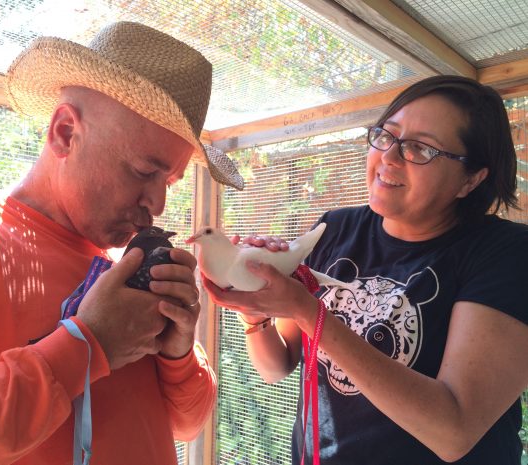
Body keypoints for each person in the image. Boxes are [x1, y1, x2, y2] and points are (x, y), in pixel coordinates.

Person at [0, 21, 243, 465]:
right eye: (145, 171)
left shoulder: (126, 268)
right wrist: (85, 344)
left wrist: (178, 350)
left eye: (171, 181)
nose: (158, 204)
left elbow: (187, 423)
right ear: (66, 132)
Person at [202, 75, 528, 464]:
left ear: (471, 179)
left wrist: (307, 310)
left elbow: (453, 431)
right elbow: (278, 365)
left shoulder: (506, 253)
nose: (388, 157)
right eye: (386, 135)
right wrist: (256, 310)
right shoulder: (334, 229)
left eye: (421, 149)